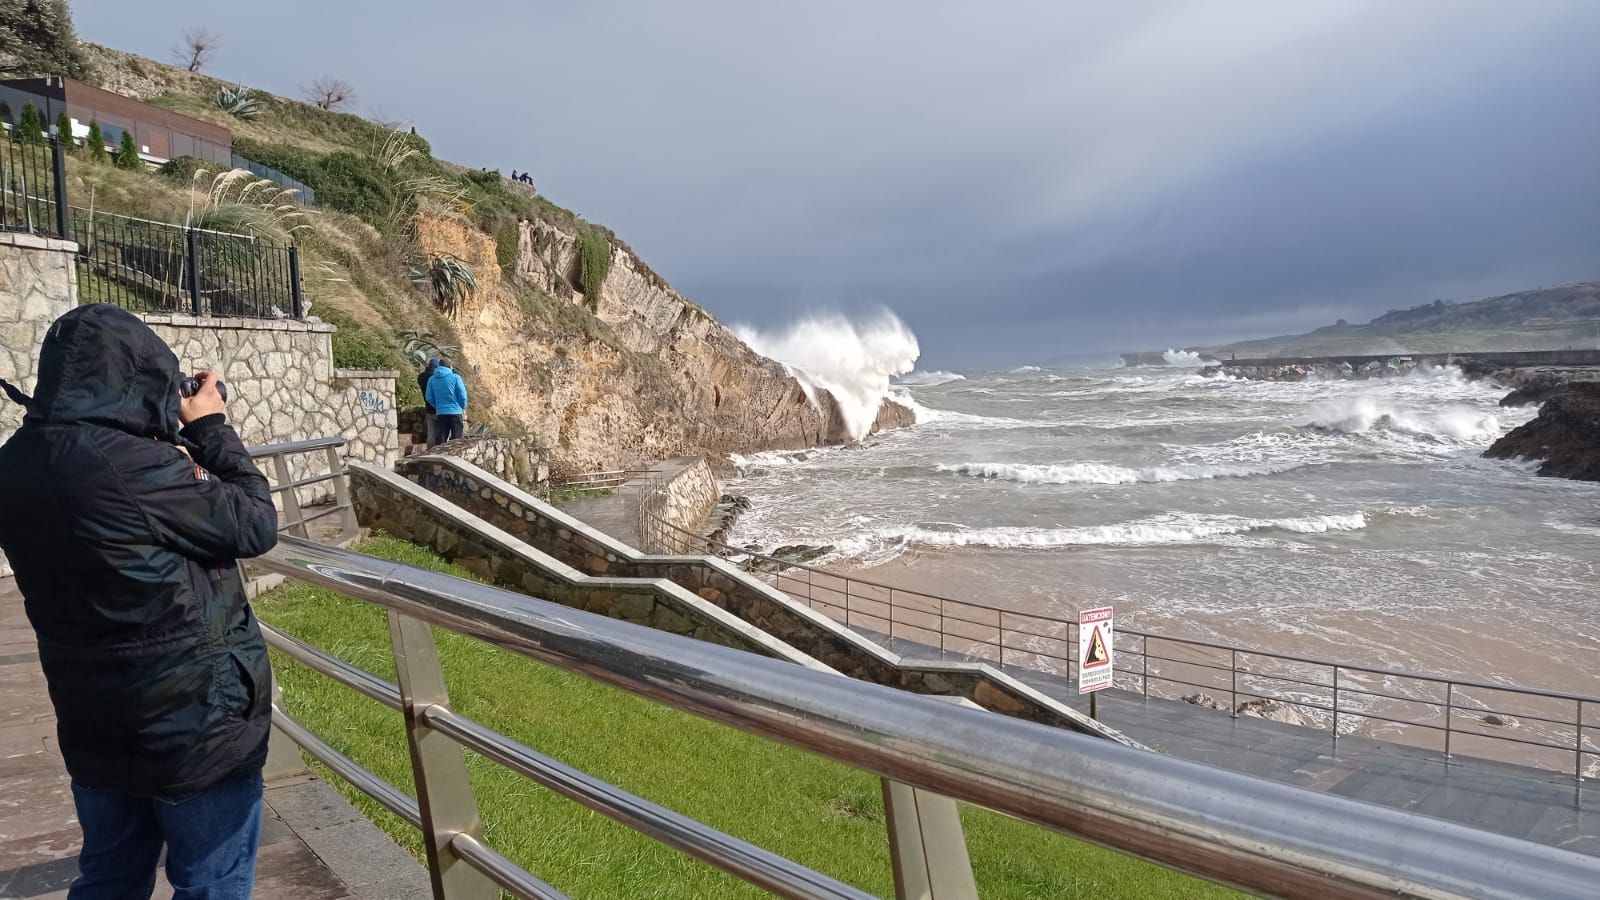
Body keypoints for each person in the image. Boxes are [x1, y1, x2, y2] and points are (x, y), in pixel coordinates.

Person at [0, 304, 279, 899]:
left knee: (108, 878)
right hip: (193, 729)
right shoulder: (131, 467)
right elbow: (254, 523)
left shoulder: (16, 462)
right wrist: (209, 429)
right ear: (137, 378)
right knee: (212, 882)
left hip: (95, 720)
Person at [424, 356, 468, 444]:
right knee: (456, 438)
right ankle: (454, 456)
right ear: (450, 366)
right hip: (455, 411)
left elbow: (429, 397)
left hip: (441, 412)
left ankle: (440, 455)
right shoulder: (455, 377)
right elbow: (462, 395)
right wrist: (463, 406)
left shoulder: (431, 379)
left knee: (441, 437)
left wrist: (438, 406)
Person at [417, 357, 440, 446]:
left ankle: (430, 451)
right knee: (440, 433)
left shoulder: (421, 377)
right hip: (438, 408)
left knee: (431, 434)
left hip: (428, 408)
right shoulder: (434, 378)